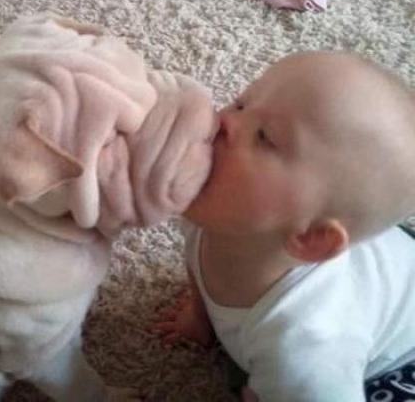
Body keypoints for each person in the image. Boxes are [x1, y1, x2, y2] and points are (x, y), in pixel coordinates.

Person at [157, 51, 415, 401]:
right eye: (241, 104)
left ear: (310, 237)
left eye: (265, 137)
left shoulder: (310, 342)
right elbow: (194, 264)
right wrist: (199, 317)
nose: (226, 122)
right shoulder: (209, 212)